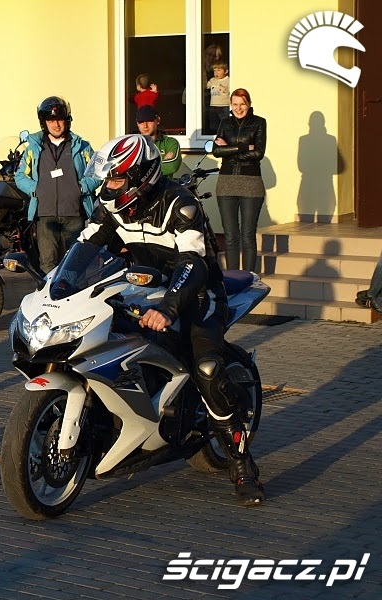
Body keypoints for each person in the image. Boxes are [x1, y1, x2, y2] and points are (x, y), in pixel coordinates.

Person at [78, 134, 265, 506]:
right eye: (107, 179)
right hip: (142, 289)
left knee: (207, 368)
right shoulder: (111, 206)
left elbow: (193, 263)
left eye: (117, 178)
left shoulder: (181, 204)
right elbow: (85, 246)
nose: (109, 186)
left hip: (198, 295)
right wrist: (57, 283)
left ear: (140, 177)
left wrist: (169, 307)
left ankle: (242, 465)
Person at [14, 96, 99, 274]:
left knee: (74, 262)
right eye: (51, 120)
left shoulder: (82, 146)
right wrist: (36, 189)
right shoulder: (33, 148)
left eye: (60, 119)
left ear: (67, 120)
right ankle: (49, 291)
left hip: (75, 214)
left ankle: (72, 290)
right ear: (44, 123)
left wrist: (82, 188)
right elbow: (20, 176)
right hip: (45, 215)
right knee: (47, 263)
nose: (56, 124)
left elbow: (97, 173)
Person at [213, 89, 267, 272]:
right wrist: (244, 147)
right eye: (235, 104)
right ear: (230, 105)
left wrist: (229, 148)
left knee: (248, 235)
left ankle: (250, 278)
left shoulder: (259, 123)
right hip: (226, 183)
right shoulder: (225, 123)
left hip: (251, 183)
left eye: (242, 104)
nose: (238, 108)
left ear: (249, 104)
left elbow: (258, 153)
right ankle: (233, 277)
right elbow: (216, 151)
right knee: (230, 236)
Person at [135, 105, 181, 177]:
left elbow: (172, 166)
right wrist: (163, 161)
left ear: (158, 120)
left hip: (164, 184)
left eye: (149, 121)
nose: (145, 126)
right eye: (141, 122)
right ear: (137, 124)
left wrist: (141, 167)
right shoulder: (132, 144)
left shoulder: (170, 142)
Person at [206, 62, 230, 134]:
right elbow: (205, 85)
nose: (216, 73)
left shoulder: (228, 80)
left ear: (226, 71)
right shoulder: (212, 80)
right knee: (214, 125)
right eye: (214, 71)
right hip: (213, 106)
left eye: (219, 70)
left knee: (225, 123)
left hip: (224, 106)